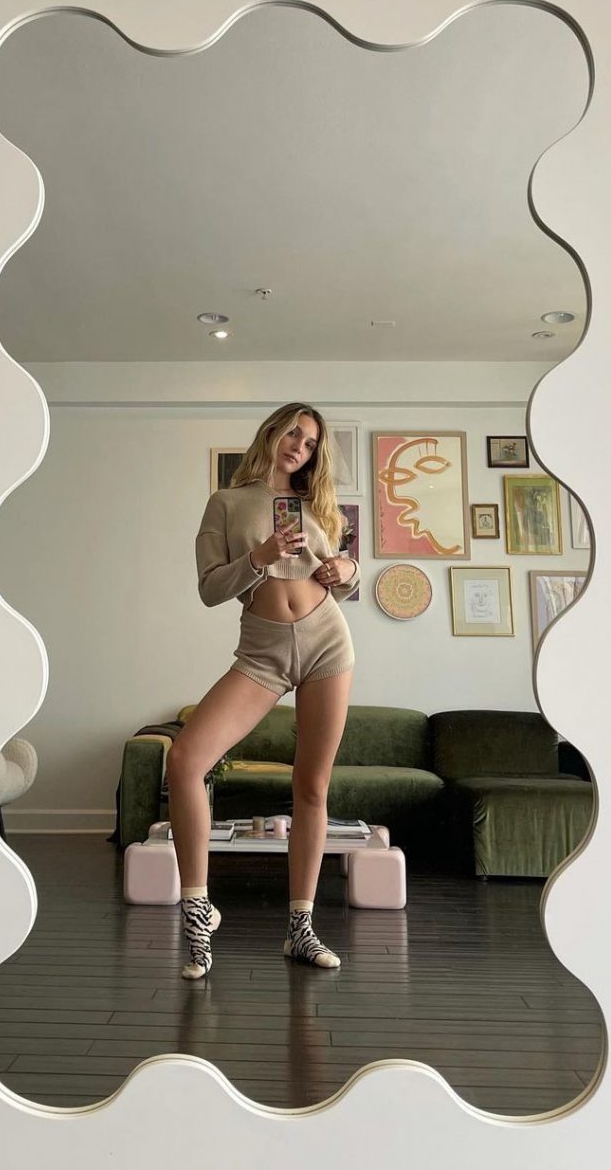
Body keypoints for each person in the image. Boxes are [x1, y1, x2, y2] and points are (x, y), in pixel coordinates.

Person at [167, 403, 360, 979]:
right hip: (262, 652)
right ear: (272, 432)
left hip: (328, 642)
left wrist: (348, 572)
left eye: (311, 442)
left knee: (312, 787)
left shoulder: (317, 505)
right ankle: (197, 911)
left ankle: (301, 928)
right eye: (293, 433)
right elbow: (209, 589)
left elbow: (340, 571)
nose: (300, 445)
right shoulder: (226, 503)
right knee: (185, 761)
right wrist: (260, 557)